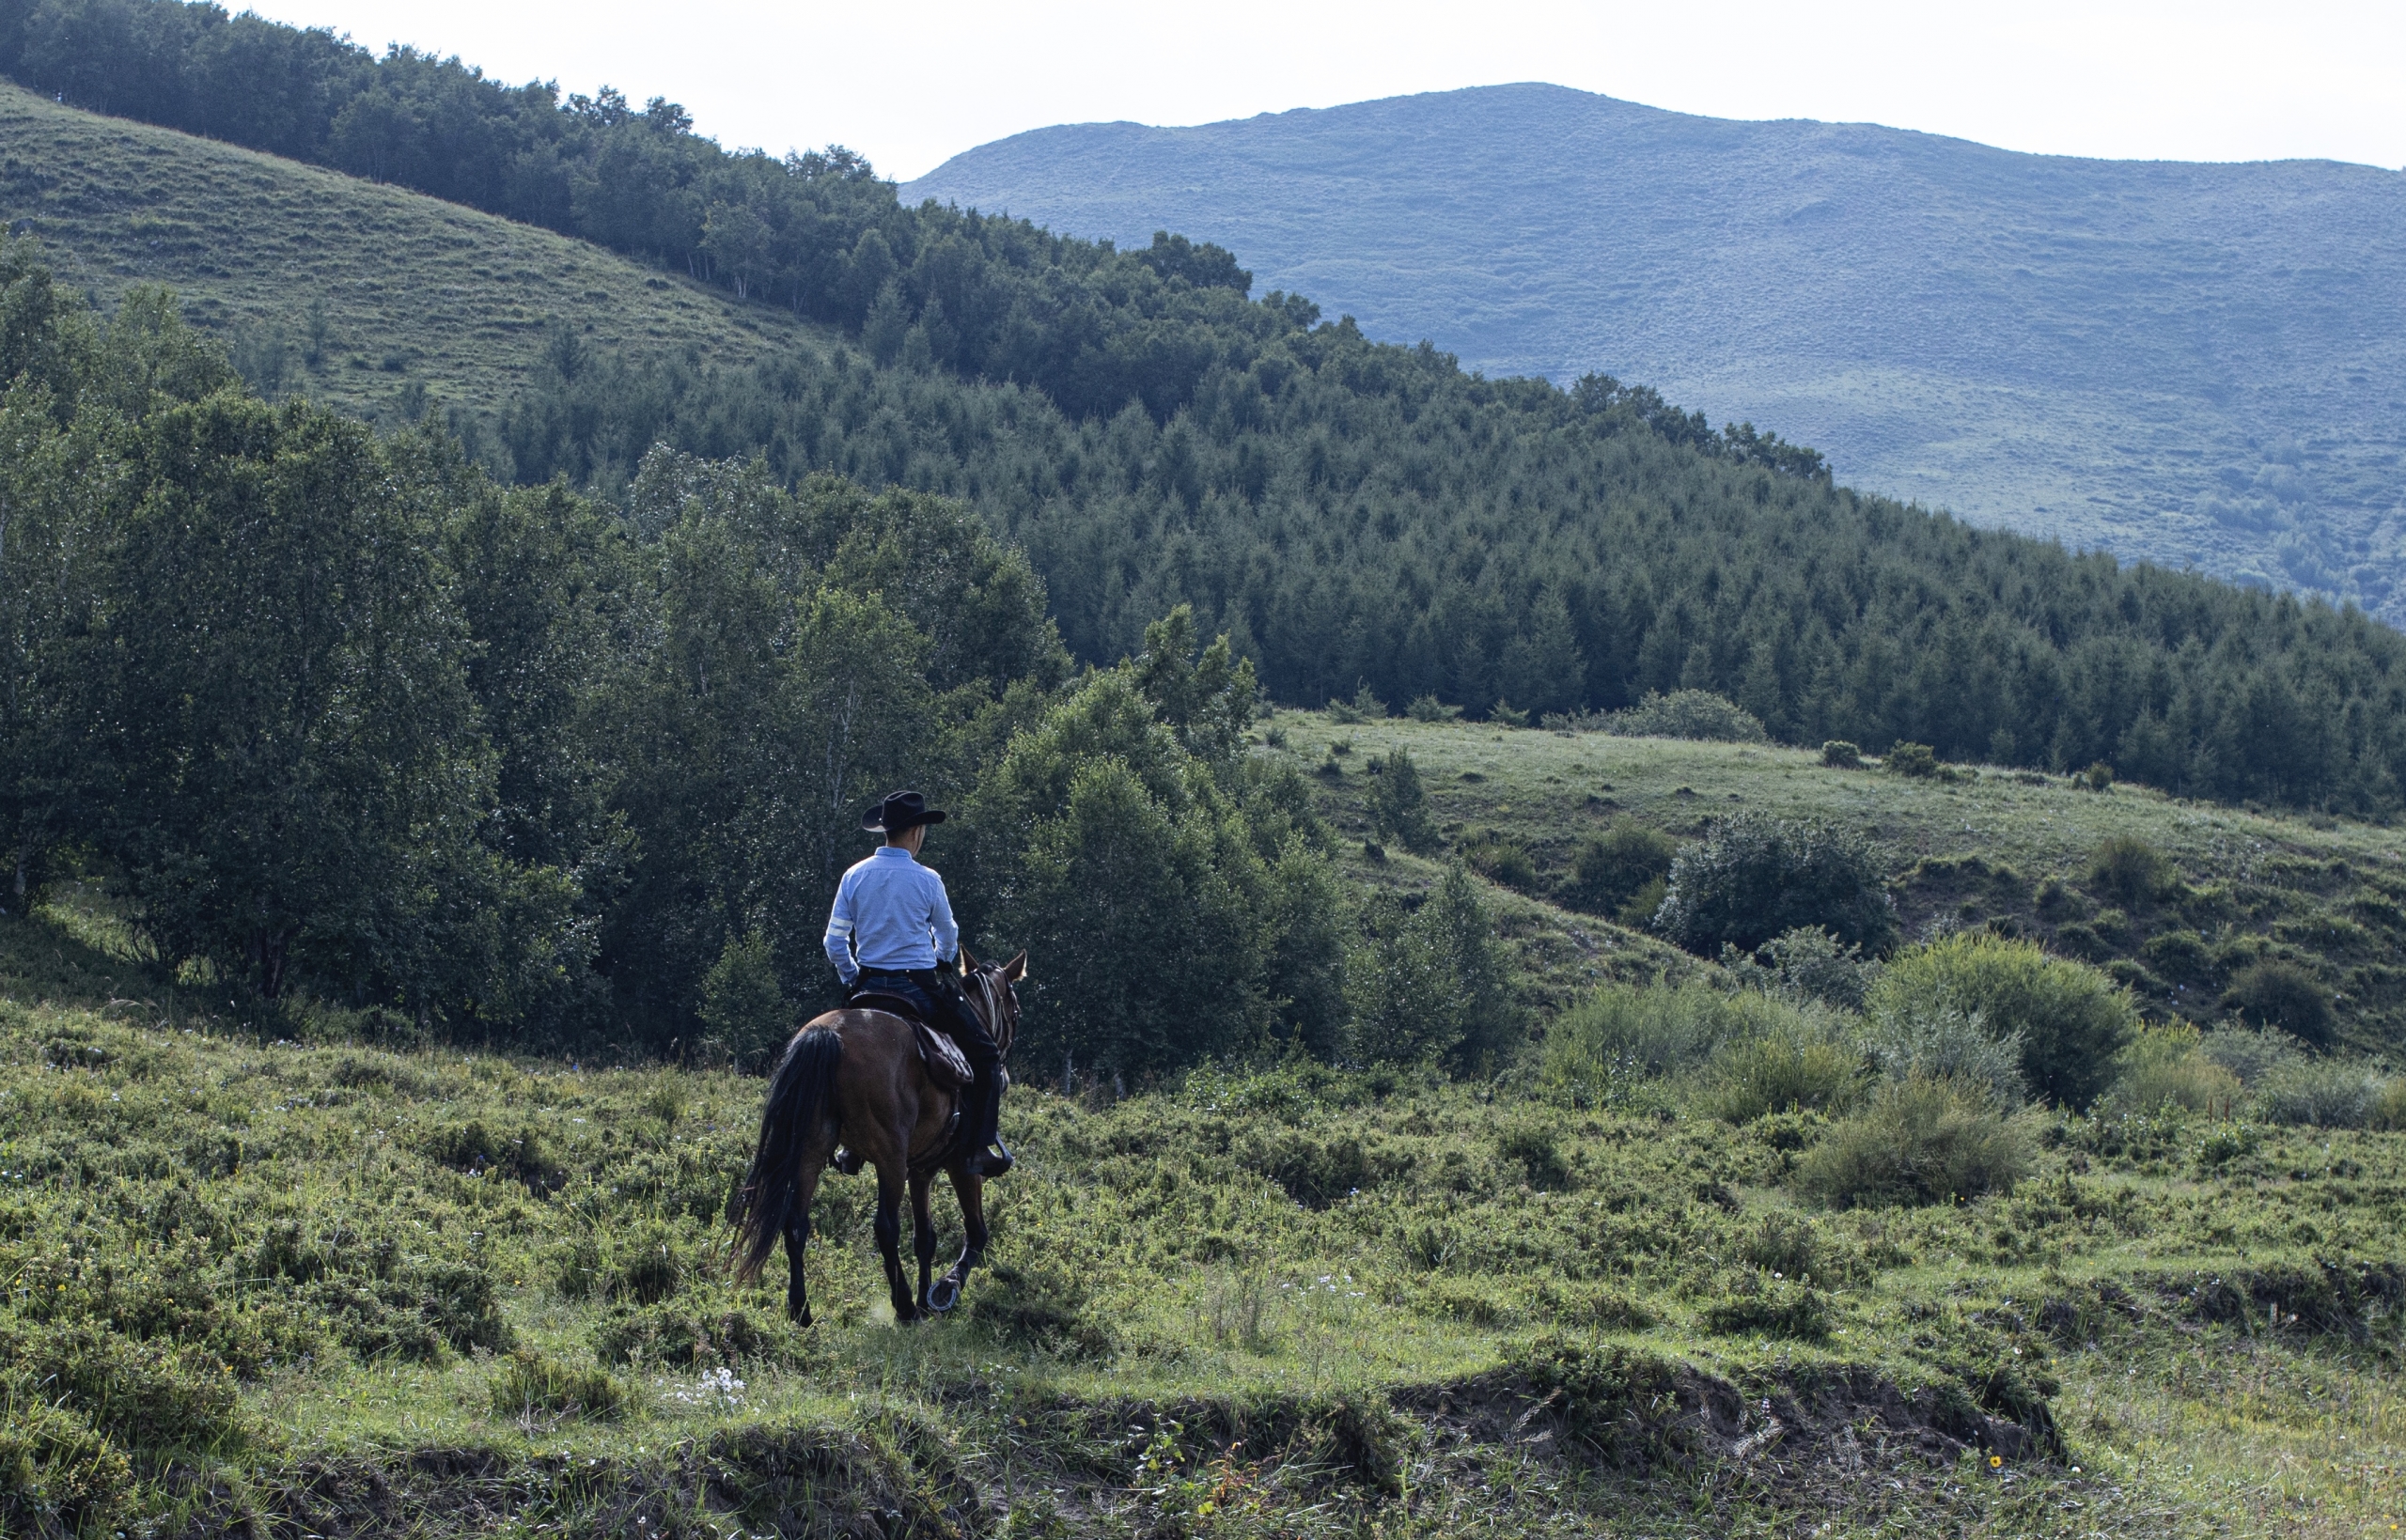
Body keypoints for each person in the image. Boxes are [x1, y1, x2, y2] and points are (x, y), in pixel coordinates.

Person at [823, 790, 1012, 1177]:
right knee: (986, 1056)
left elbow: (834, 941)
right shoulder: (928, 880)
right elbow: (948, 935)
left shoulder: (854, 875)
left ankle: (851, 1147)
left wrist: (852, 975)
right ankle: (979, 1147)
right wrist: (941, 961)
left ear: (886, 830)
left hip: (868, 987)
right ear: (915, 831)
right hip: (919, 989)